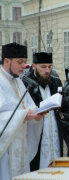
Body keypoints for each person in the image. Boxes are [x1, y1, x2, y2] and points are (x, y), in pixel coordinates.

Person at [0, 43, 44, 180]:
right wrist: (24, 115)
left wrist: (37, 114)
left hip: (21, 143)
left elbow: (28, 106)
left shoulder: (18, 81)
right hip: (6, 149)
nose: (23, 66)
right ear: (7, 60)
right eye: (19, 62)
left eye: (25, 62)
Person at [22, 52, 63, 171]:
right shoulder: (26, 84)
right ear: (34, 66)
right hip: (36, 130)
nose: (47, 70)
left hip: (54, 130)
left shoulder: (55, 82)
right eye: (43, 67)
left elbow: (63, 106)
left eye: (50, 67)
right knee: (37, 166)